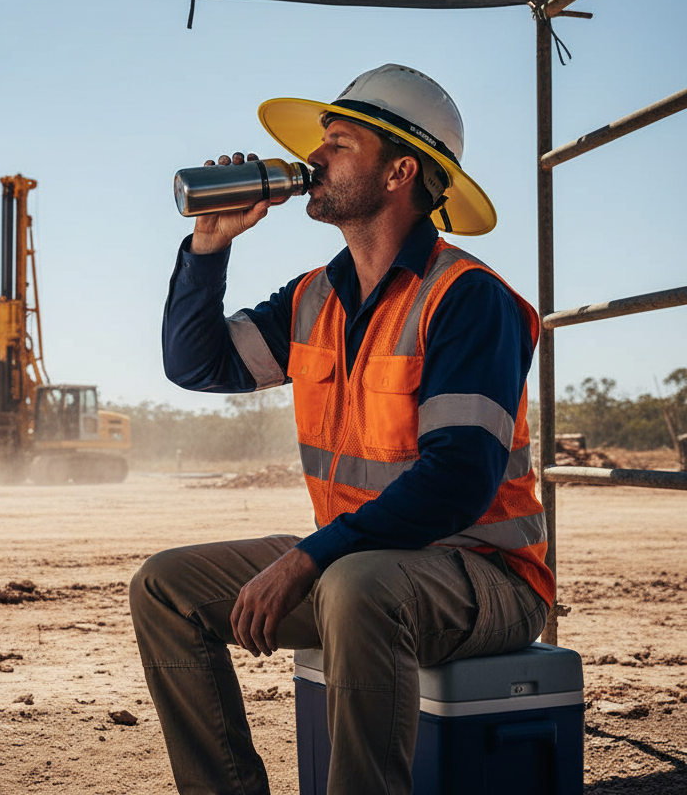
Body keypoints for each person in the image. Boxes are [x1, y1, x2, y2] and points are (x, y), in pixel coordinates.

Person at [129, 64, 554, 795]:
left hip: (487, 579)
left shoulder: (467, 299)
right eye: (321, 142)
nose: (315, 158)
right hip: (359, 563)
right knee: (164, 588)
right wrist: (210, 244)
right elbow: (194, 365)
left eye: (340, 143)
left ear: (400, 172)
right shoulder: (312, 300)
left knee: (357, 585)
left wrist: (305, 560)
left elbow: (458, 479)